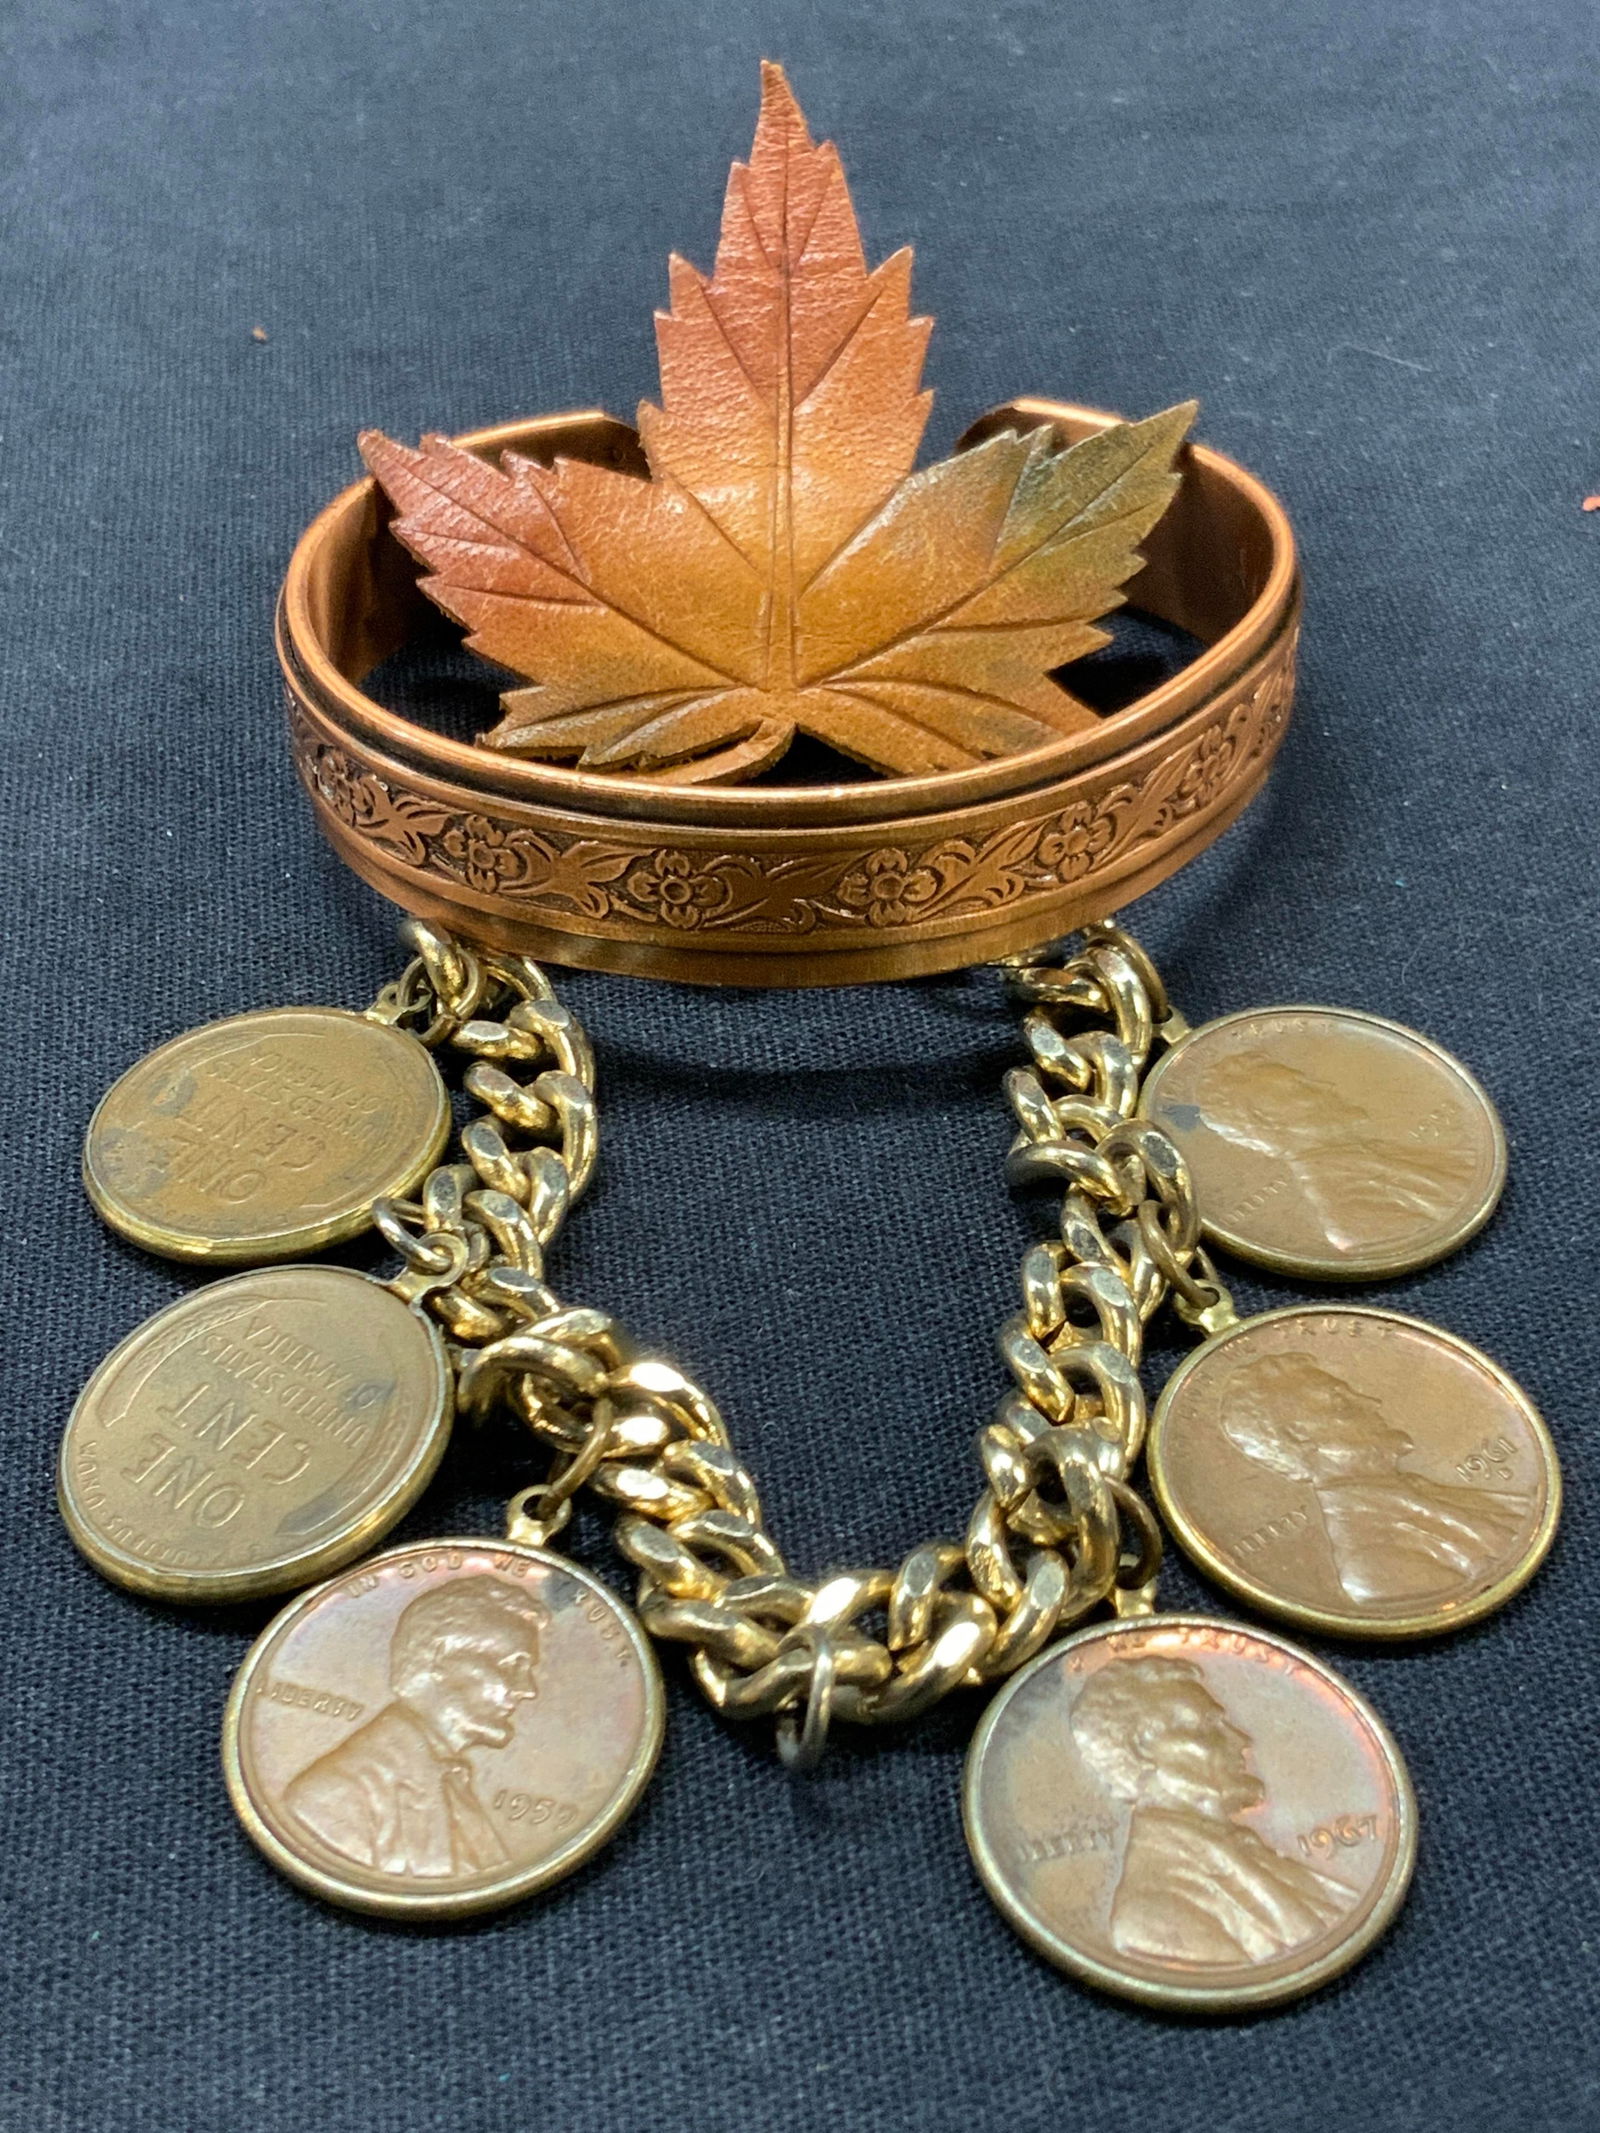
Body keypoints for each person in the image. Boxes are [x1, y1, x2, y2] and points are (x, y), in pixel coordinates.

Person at [1069, 1654, 1352, 1966]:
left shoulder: (1249, 1855)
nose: (1241, 1740)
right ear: (1141, 1748)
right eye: (1206, 1727)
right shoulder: (1152, 1918)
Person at [285, 1575, 548, 1879]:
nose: (527, 1690)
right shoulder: (331, 1798)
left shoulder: (451, 1778)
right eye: (511, 1665)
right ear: (437, 1658)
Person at [1221, 1352, 1529, 1605]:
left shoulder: (1428, 1494)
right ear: (1298, 1435)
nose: (1371, 1403)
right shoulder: (1375, 1566)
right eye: (1340, 1401)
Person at [1189, 1048, 1478, 1251]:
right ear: (1267, 1120)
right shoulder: (1351, 1210)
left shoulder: (1382, 1157)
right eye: (1299, 1086)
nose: (1324, 1085)